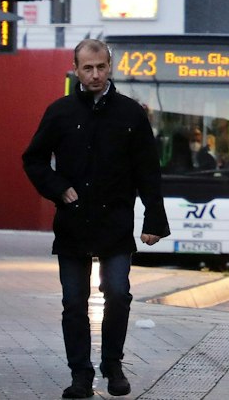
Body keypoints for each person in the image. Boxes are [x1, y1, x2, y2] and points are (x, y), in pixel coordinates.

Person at [23, 38, 171, 399]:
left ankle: (113, 364)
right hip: (73, 222)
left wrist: (153, 220)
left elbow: (148, 170)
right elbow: (34, 159)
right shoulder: (60, 112)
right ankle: (80, 375)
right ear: (76, 69)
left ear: (110, 67)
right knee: (74, 302)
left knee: (118, 294)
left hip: (115, 221)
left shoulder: (131, 113)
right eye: (87, 68)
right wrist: (59, 188)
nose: (94, 74)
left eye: (100, 67)